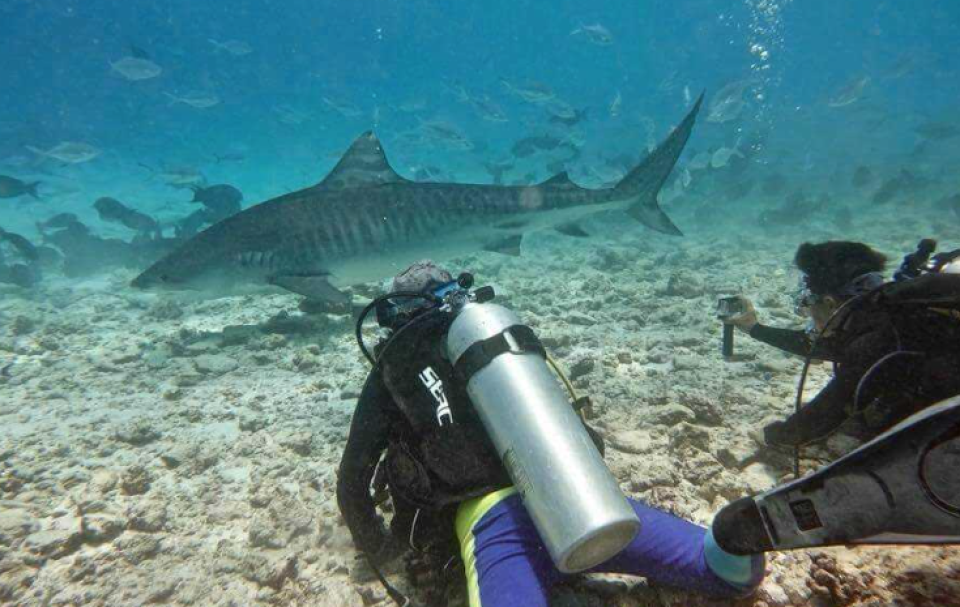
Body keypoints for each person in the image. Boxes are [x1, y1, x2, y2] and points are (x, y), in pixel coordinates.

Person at [337, 260, 765, 607]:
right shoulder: (496, 342)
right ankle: (743, 532)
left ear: (397, 316)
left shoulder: (393, 367)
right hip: (574, 500)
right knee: (729, 571)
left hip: (492, 525)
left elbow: (353, 479)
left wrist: (382, 549)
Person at [722, 240, 960, 447]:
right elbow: (831, 347)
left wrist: (771, 436)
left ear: (828, 302)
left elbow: (815, 422)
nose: (806, 312)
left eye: (806, 302)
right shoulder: (895, 312)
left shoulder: (874, 341)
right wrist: (755, 329)